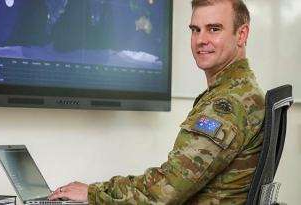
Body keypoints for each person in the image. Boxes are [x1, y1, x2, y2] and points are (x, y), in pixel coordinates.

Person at [49, 0, 265, 204]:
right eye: (195, 29)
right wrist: (98, 190)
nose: (200, 40)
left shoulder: (228, 104)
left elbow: (164, 193)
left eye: (214, 29)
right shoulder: (240, 89)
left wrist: (94, 193)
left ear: (241, 34)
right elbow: (170, 181)